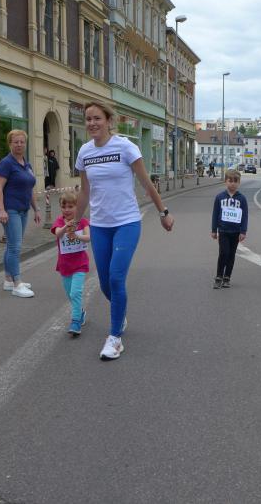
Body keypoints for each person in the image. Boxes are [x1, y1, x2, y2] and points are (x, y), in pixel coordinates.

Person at [75, 101, 174, 361]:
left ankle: (115, 338)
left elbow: (146, 183)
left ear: (109, 121)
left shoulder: (125, 147)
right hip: (99, 225)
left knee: (116, 278)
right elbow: (84, 191)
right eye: (88, 119)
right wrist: (74, 221)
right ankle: (120, 315)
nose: (92, 123)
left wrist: (163, 212)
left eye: (97, 118)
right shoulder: (84, 152)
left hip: (126, 223)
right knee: (105, 283)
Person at [0, 129, 41, 297]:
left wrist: (36, 209)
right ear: (10, 144)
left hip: (23, 209)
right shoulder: (6, 163)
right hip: (10, 209)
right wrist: (1, 210)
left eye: (22, 142)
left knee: (12, 245)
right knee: (15, 246)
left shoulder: (26, 164)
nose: (19, 145)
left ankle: (8, 279)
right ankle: (17, 284)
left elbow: (30, 189)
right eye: (16, 142)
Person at [51, 190, 90, 336]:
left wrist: (77, 236)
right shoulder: (59, 222)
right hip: (65, 265)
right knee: (70, 294)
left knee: (75, 292)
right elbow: (57, 233)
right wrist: (66, 227)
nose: (66, 210)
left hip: (80, 264)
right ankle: (80, 312)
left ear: (77, 207)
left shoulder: (83, 221)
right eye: (64, 207)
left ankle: (75, 322)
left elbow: (88, 237)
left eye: (70, 207)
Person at [211, 168, 248, 289]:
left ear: (239, 183)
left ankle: (227, 277)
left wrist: (243, 231)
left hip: (235, 232)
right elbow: (215, 214)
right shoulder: (219, 197)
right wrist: (214, 230)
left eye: (235, 181)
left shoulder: (242, 199)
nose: (233, 183)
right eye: (230, 181)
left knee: (231, 255)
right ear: (225, 181)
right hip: (223, 231)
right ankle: (219, 276)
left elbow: (245, 216)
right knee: (223, 253)